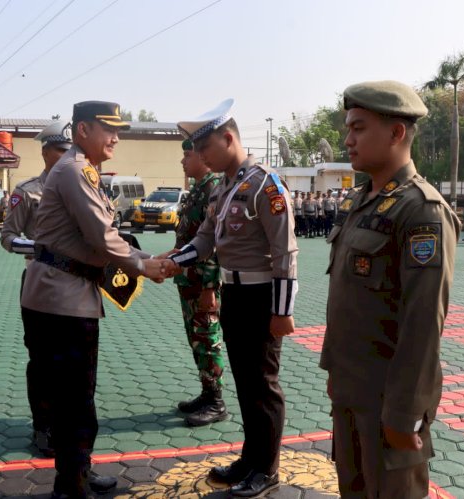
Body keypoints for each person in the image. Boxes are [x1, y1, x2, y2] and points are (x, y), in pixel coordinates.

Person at [19, 101, 169, 499]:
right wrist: (144, 264)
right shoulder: (75, 170)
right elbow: (102, 236)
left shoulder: (78, 169)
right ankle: (71, 487)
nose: (116, 137)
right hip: (62, 299)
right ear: (82, 130)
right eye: (108, 129)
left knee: (74, 400)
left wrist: (140, 260)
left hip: (63, 292)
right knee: (75, 401)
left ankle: (76, 474)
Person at [321, 80, 460, 499]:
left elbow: (422, 324)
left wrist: (405, 412)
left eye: (359, 128)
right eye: (349, 128)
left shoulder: (421, 210)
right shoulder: (362, 200)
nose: (348, 140)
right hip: (350, 387)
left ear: (397, 132)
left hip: (388, 397)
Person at [168, 99, 298, 498]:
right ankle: (250, 458)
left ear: (228, 138)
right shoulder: (225, 188)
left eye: (205, 147)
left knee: (263, 385)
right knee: (244, 383)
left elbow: (285, 253)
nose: (201, 156)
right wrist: (173, 261)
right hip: (234, 294)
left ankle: (267, 469)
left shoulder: (265, 184)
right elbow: (206, 239)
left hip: (262, 298)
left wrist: (282, 312)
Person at [0, 121, 72, 457]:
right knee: (42, 360)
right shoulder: (27, 192)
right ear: (45, 152)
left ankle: (68, 424)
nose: (66, 156)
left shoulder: (84, 187)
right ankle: (42, 425)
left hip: (76, 285)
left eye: (70, 150)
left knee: (72, 361)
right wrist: (43, 250)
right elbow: (8, 237)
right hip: (40, 282)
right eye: (60, 149)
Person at [170, 138, 226, 427]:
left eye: (188, 155)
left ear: (203, 158)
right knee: (196, 338)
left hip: (203, 281)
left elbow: (214, 243)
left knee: (207, 339)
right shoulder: (199, 189)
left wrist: (208, 287)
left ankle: (216, 401)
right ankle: (206, 392)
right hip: (188, 277)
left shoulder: (214, 189)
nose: (183, 161)